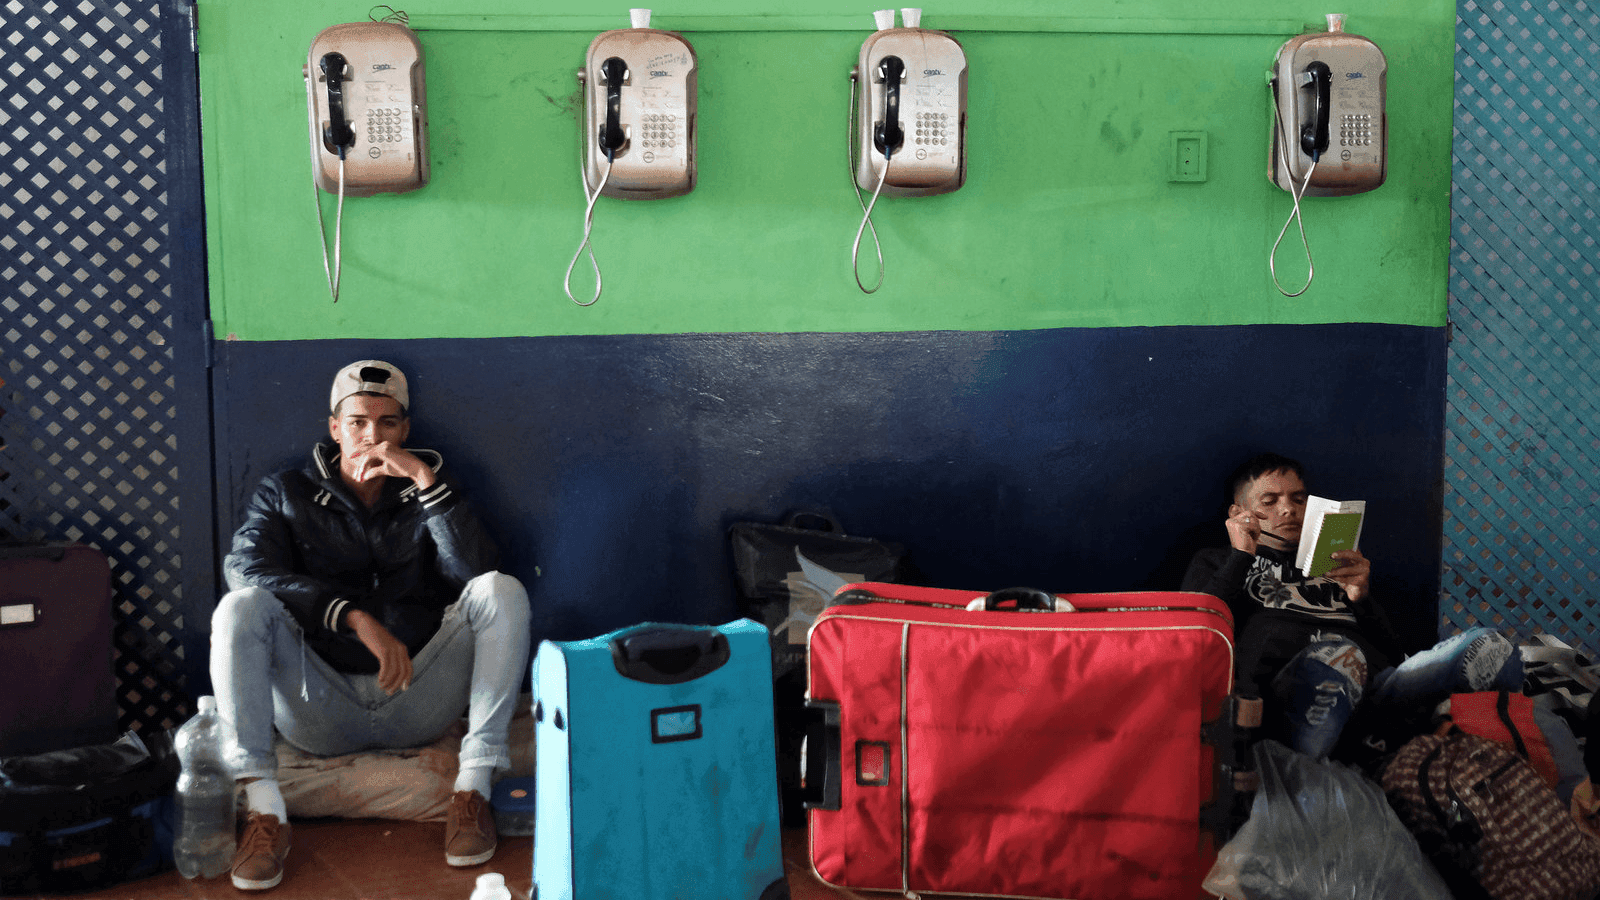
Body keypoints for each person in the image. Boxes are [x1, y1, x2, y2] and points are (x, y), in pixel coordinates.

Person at [209, 360, 531, 891]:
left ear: (405, 430)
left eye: (386, 423)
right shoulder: (287, 490)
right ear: (335, 428)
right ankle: (265, 811)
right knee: (240, 607)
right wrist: (351, 616)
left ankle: (472, 790)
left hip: (417, 699)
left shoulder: (429, 487)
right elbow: (245, 569)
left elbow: (474, 575)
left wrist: (424, 481)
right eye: (357, 422)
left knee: (502, 590)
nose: (372, 436)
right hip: (319, 707)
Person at [1182, 452, 1520, 759]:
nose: (1288, 509)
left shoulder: (1336, 562)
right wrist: (1240, 556)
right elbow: (1196, 630)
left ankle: (1500, 737)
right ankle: (1346, 749)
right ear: (1238, 514)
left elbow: (1394, 655)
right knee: (1337, 661)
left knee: (1487, 646)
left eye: (1298, 499)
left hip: (1377, 691)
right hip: (1292, 696)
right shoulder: (1218, 561)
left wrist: (1361, 597)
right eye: (1269, 501)